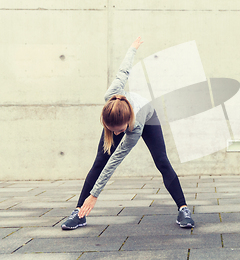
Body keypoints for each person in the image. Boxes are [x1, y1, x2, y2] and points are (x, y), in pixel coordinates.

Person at [61, 37, 195, 230]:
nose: (116, 134)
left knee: (162, 161)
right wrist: (133, 48)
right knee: (99, 161)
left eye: (120, 131)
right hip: (122, 114)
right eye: (112, 130)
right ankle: (79, 213)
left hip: (148, 116)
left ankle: (183, 209)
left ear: (127, 124)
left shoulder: (135, 127)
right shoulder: (112, 96)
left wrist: (95, 194)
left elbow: (115, 161)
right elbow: (124, 71)